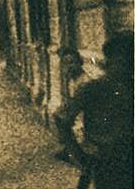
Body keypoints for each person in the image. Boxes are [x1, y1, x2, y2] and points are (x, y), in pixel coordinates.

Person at [55, 33, 133, 189]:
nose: (131, 65)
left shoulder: (131, 87)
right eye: (128, 59)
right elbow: (62, 119)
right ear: (114, 60)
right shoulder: (93, 88)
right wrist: (81, 157)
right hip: (106, 163)